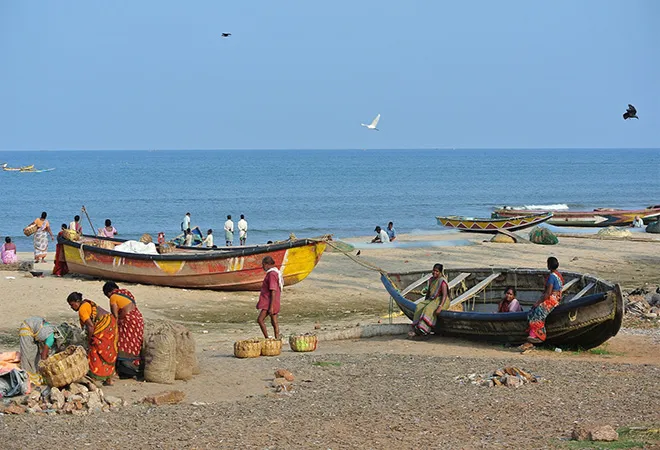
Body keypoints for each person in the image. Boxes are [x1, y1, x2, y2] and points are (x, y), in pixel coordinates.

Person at [66, 292, 118, 384]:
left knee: (94, 350)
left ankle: (94, 378)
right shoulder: (86, 303)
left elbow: (90, 326)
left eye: (72, 305)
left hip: (103, 326)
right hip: (111, 323)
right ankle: (109, 379)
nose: (71, 307)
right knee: (108, 351)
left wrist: (90, 340)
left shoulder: (82, 309)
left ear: (77, 302)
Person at [521, 257, 564, 351]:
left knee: (536, 313)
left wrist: (538, 303)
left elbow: (548, 293)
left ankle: (539, 335)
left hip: (552, 300)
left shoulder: (552, 276)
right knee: (533, 312)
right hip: (557, 299)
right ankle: (532, 336)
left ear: (549, 265)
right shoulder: (559, 275)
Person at [103, 281, 144, 379]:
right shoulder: (126, 293)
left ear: (108, 293)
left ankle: (125, 371)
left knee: (122, 344)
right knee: (135, 345)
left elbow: (115, 316)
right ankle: (137, 367)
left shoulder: (113, 297)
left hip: (128, 322)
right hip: (138, 321)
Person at [409, 263, 449, 338]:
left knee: (428, 309)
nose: (434, 272)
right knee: (419, 306)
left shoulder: (442, 281)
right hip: (432, 299)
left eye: (437, 271)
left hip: (442, 300)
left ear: (440, 272)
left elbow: (445, 295)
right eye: (433, 271)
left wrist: (440, 306)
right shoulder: (431, 280)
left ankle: (424, 329)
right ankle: (416, 327)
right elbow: (428, 293)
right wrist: (425, 302)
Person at [18, 317, 56, 383]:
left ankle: (34, 374)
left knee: (35, 354)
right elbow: (43, 356)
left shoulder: (51, 331)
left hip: (33, 328)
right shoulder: (51, 339)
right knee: (28, 356)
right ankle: (29, 378)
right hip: (27, 329)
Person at [256, 256, 282, 339]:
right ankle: (277, 339)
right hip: (272, 301)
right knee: (274, 321)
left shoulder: (271, 274)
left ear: (267, 264)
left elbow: (273, 290)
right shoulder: (275, 273)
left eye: (263, 265)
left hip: (269, 302)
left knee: (260, 320)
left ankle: (267, 338)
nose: (263, 267)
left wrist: (271, 306)